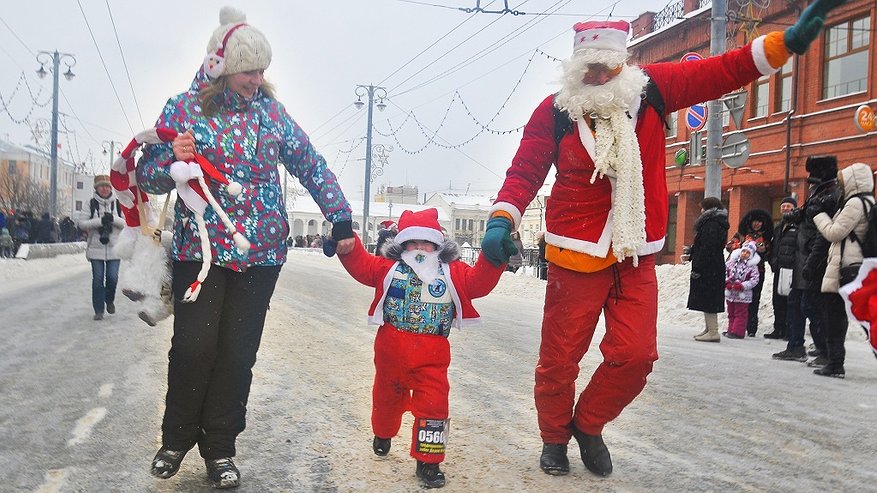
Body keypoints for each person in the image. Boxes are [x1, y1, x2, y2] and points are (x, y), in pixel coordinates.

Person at [477, 1, 841, 476]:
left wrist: (782, 44)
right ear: (576, 69)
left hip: (635, 250)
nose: (598, 76)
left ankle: (588, 423)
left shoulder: (651, 91)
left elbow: (720, 72)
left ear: (622, 64)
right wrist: (502, 219)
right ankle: (553, 437)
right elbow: (524, 172)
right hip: (575, 253)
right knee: (559, 359)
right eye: (589, 69)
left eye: (607, 67)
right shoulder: (556, 112)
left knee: (636, 356)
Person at [136, 6, 355, 489]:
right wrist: (171, 158)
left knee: (238, 354)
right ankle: (176, 440)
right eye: (248, 70)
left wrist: (339, 214)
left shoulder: (271, 114)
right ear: (221, 67)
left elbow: (309, 162)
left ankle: (219, 449)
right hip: (202, 251)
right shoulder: (183, 109)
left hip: (261, 254)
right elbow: (147, 176)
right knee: (194, 347)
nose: (257, 80)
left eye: (261, 70)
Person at [333, 208, 505, 489]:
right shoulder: (388, 268)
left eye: (426, 243)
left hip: (432, 355)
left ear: (437, 245)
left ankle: (428, 461)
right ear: (403, 246)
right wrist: (348, 243)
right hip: (391, 350)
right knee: (386, 398)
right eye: (412, 243)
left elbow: (478, 283)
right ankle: (383, 432)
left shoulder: (451, 271)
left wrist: (493, 257)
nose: (419, 249)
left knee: (434, 405)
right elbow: (362, 266)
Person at [808, 162, 875, 378]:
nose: (840, 185)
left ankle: (835, 364)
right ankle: (835, 363)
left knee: (835, 318)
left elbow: (834, 233)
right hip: (857, 267)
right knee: (865, 317)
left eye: (843, 181)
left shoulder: (854, 203)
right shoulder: (868, 201)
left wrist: (818, 215)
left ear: (853, 181)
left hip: (845, 268)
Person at [74, 175, 125, 320]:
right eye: (102, 186)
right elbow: (82, 223)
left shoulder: (118, 204)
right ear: (96, 188)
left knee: (112, 278)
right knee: (97, 279)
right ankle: (98, 310)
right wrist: (100, 221)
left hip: (115, 248)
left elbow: (127, 224)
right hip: (96, 247)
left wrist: (113, 219)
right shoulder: (90, 204)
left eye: (107, 186)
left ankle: (109, 300)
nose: (105, 189)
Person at [687, 197, 730, 342]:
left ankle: (713, 331)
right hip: (714, 265)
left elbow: (707, 247)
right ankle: (709, 328)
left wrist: (698, 264)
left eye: (703, 208)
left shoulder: (711, 224)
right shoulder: (717, 222)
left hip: (709, 266)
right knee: (708, 298)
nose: (701, 211)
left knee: (709, 298)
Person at [726, 209, 773, 336]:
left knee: (754, 299)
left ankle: (751, 328)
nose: (757, 224)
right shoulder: (741, 234)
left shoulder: (766, 237)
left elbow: (769, 252)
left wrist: (764, 250)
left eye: (759, 222)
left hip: (757, 271)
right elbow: (728, 246)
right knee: (735, 300)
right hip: (738, 271)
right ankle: (735, 327)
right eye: (754, 221)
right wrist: (740, 246)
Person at [765, 197, 799, 340]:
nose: (785, 208)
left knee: (790, 301)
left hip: (791, 269)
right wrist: (772, 260)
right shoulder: (778, 227)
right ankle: (778, 328)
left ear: (794, 208)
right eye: (783, 206)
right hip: (779, 268)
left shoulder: (798, 225)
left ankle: (789, 330)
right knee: (777, 300)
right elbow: (774, 247)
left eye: (788, 206)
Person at [723, 241, 761, 339]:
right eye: (743, 251)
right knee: (731, 312)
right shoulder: (731, 263)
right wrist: (727, 282)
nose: (744, 254)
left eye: (748, 253)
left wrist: (743, 286)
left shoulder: (753, 267)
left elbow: (754, 280)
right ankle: (731, 329)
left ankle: (738, 331)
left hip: (743, 294)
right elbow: (725, 272)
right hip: (731, 292)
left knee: (740, 313)